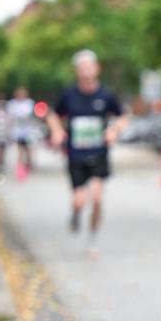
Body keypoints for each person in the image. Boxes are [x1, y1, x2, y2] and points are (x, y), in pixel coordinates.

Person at [47, 50, 127, 257]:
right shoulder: (69, 95)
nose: (86, 70)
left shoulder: (106, 96)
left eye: (90, 66)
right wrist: (57, 130)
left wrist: (114, 130)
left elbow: (123, 117)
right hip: (75, 155)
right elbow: (53, 115)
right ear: (77, 71)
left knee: (98, 198)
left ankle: (92, 240)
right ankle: (75, 214)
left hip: (99, 153)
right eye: (82, 67)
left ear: (97, 68)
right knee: (79, 201)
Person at [7, 86, 36, 175]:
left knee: (28, 149)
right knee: (19, 150)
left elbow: (32, 116)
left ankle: (29, 165)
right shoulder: (12, 104)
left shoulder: (29, 103)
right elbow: (10, 117)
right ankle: (20, 167)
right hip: (17, 131)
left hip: (28, 131)